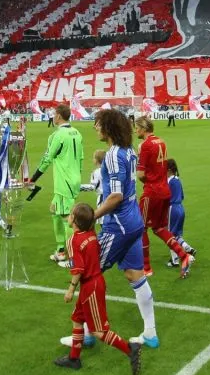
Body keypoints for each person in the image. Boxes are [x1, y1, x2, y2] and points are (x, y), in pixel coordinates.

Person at [82, 109, 158, 349]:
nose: (95, 127)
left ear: (108, 127)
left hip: (119, 225)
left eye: (98, 124)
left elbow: (115, 196)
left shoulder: (113, 155)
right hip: (134, 222)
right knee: (135, 274)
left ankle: (85, 334)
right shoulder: (129, 151)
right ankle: (150, 333)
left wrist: (91, 216)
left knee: (88, 274)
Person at [54, 202, 142, 375]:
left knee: (99, 330)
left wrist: (71, 289)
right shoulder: (92, 234)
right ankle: (74, 358)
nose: (69, 216)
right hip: (95, 282)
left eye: (71, 214)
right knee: (77, 318)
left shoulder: (73, 240)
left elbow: (78, 269)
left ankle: (130, 349)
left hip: (90, 287)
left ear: (75, 221)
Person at [135, 117, 192, 277]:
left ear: (143, 128)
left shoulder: (146, 145)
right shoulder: (161, 141)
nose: (135, 130)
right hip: (165, 191)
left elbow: (140, 174)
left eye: (137, 127)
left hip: (151, 192)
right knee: (160, 228)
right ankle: (184, 256)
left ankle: (146, 268)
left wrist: (148, 181)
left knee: (141, 228)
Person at [29, 104, 83, 267]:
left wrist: (33, 179)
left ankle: (72, 258)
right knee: (54, 210)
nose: (52, 117)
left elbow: (47, 159)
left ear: (59, 116)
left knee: (68, 218)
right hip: (73, 178)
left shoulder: (58, 135)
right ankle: (61, 249)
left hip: (64, 181)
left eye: (54, 114)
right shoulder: (77, 133)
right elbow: (80, 158)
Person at [166, 159, 196, 267]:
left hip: (172, 209)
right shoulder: (178, 180)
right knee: (177, 234)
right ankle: (188, 248)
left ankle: (174, 260)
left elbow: (165, 197)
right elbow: (182, 196)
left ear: (169, 170)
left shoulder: (169, 181)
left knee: (169, 235)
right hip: (181, 208)